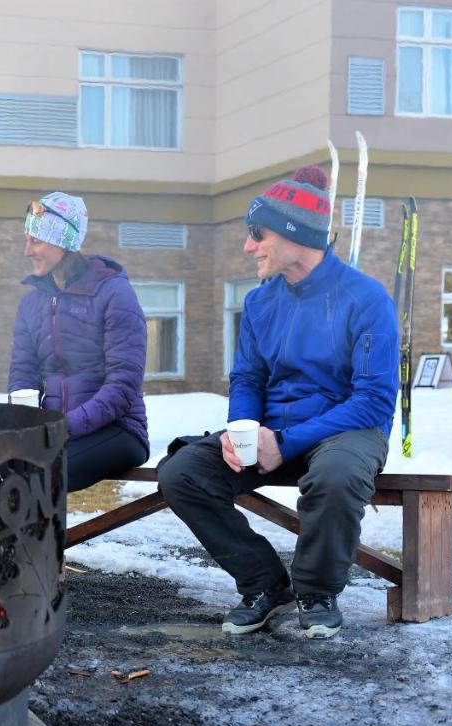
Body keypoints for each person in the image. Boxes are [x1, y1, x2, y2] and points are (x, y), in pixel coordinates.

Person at [157, 166, 399, 639]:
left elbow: (372, 400)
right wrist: (242, 431)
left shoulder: (366, 298)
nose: (248, 247)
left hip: (344, 431)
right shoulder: (260, 302)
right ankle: (266, 586)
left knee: (336, 476)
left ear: (294, 233)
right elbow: (247, 376)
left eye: (256, 234)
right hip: (271, 431)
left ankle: (315, 591)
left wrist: (284, 442)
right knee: (182, 473)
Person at [9, 191, 150, 492]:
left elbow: (123, 387)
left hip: (119, 430)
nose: (27, 251)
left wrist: (61, 428)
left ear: (63, 242)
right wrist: (23, 422)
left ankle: (38, 541)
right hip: (55, 431)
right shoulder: (31, 304)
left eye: (36, 240)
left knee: (37, 476)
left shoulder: (113, 294)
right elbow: (23, 374)